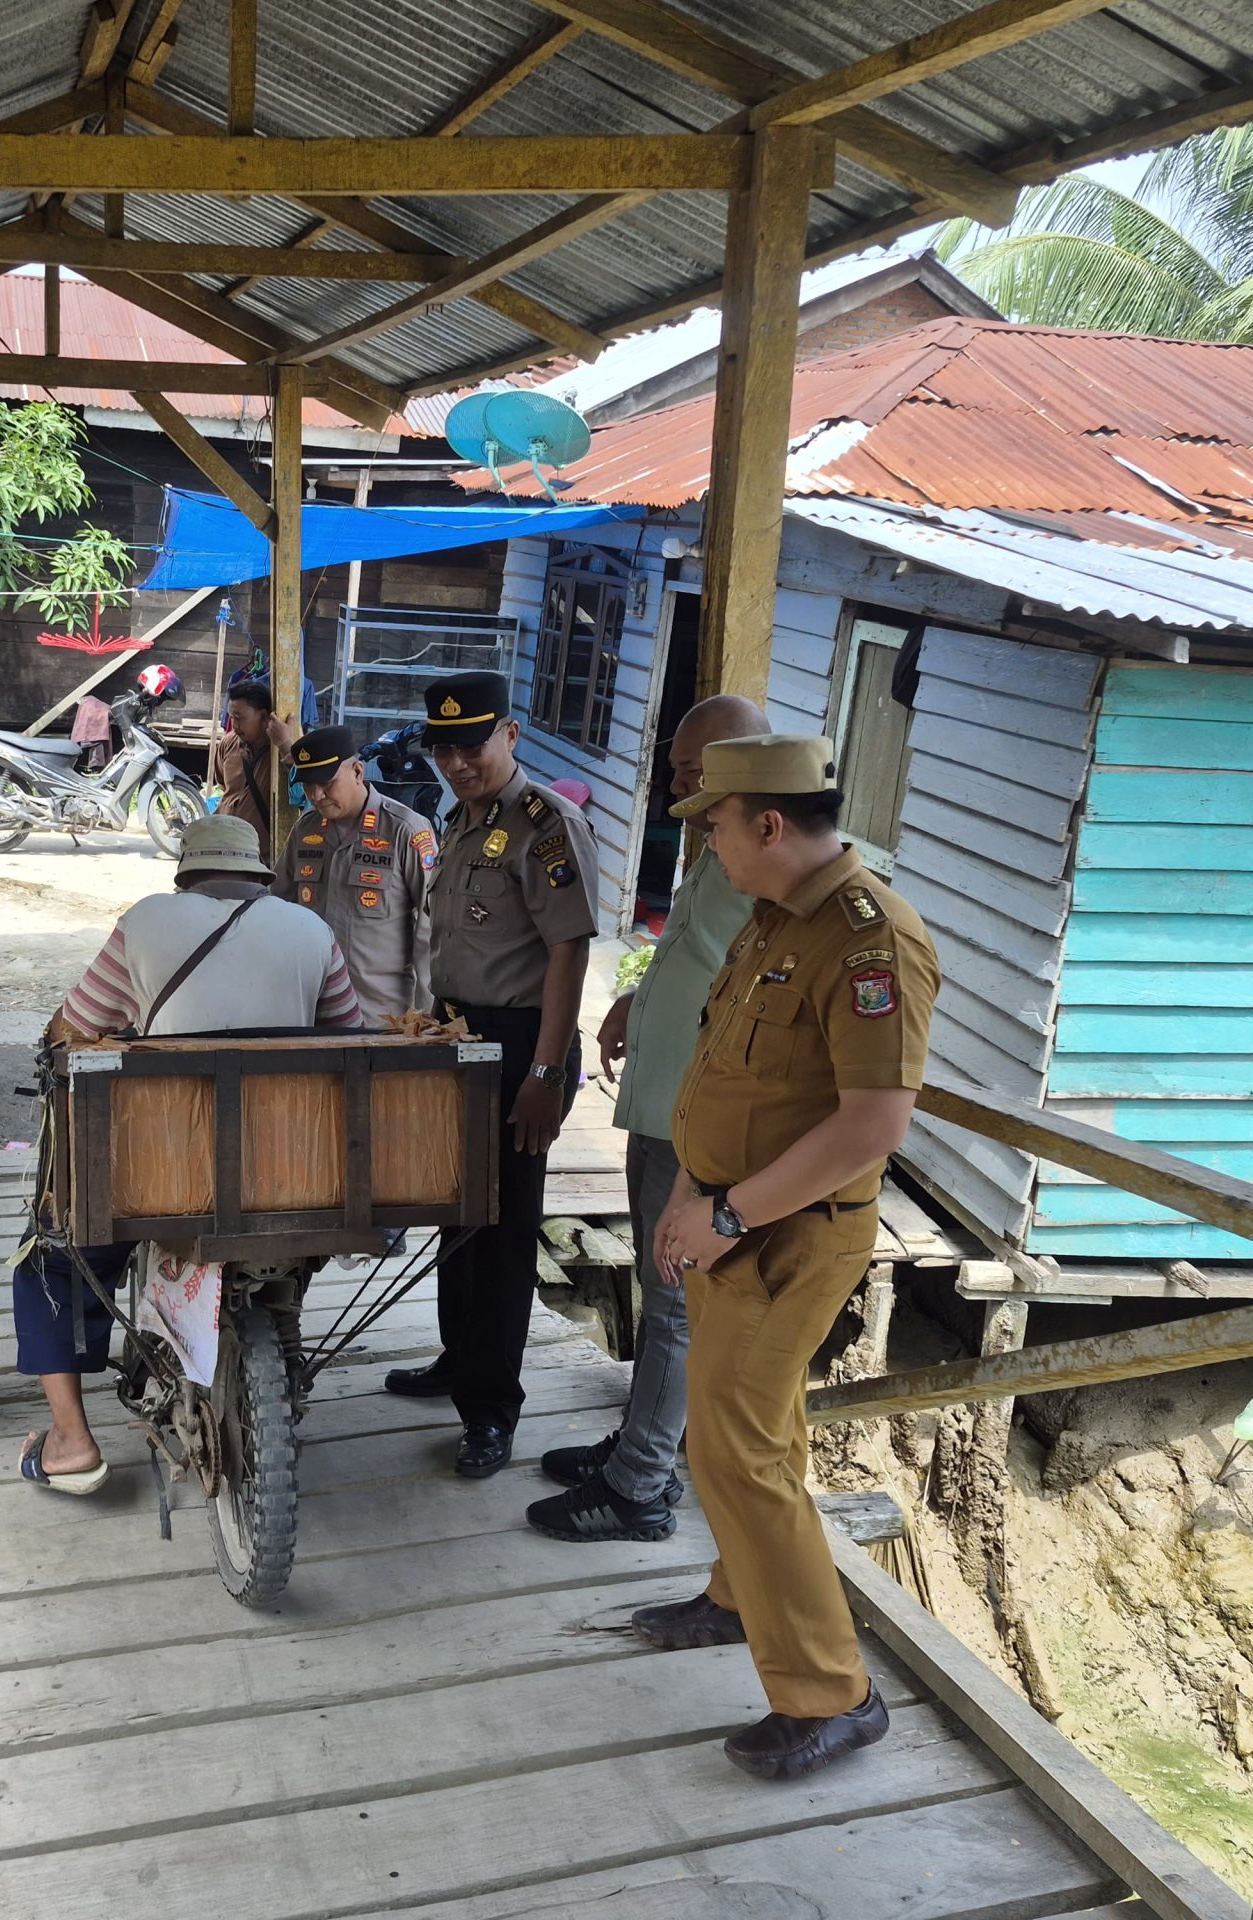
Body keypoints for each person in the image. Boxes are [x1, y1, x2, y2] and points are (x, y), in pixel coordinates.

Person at [638, 733, 940, 1782]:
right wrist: (690, 1192)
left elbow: (871, 1125)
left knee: (738, 1452)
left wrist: (727, 1215)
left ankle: (831, 1694)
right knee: (746, 1433)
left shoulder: (869, 941)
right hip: (729, 1219)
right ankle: (737, 1597)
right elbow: (727, 1074)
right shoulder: (777, 919)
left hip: (784, 1237)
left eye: (715, 825)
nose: (707, 845)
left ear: (768, 823)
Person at [13, 812, 367, 1494]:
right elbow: (349, 1038)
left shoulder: (146, 921)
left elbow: (74, 1028)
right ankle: (276, 1327)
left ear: (186, 877)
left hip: (170, 1175)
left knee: (50, 1261)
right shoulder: (313, 930)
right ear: (257, 878)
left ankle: (70, 1442)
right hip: (295, 1171)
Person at [527, 693, 766, 1543]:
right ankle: (641, 1443)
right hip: (661, 1102)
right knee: (659, 1288)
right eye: (673, 767)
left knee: (673, 1300)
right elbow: (702, 961)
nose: (671, 785)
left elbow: (760, 1003)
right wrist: (639, 995)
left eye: (689, 771)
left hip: (699, 1118)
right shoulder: (716, 841)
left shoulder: (767, 867)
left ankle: (641, 1486)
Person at [386, 670, 597, 1478]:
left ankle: (491, 1411)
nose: (457, 762)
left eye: (471, 745)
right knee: (454, 1209)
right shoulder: (464, 817)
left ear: (509, 735)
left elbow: (568, 952)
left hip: (518, 1046)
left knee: (503, 1230)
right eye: (444, 748)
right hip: (456, 1034)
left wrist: (547, 1069)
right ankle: (457, 1360)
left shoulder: (547, 825)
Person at [271, 724, 435, 1025]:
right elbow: (277, 907)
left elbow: (429, 930)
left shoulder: (405, 830)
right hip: (310, 1010)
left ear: (358, 771)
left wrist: (423, 1018)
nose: (317, 795)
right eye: (309, 785)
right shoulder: (306, 830)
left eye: (327, 783)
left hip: (380, 1016)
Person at [212, 678, 297, 845]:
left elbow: (304, 789)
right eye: (231, 717)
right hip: (224, 845)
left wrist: (285, 745)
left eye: (239, 717)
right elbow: (223, 785)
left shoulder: (280, 751)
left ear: (264, 717)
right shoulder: (228, 743)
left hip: (260, 855)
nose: (234, 725)